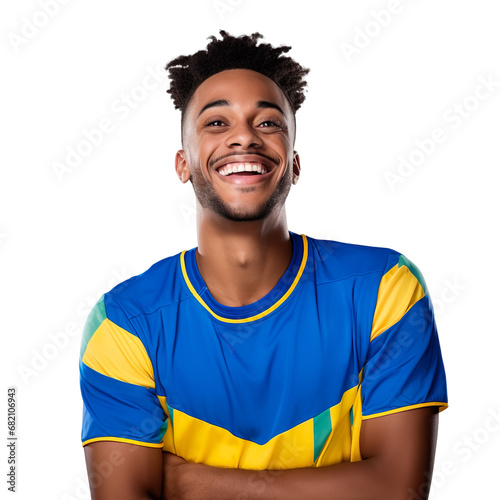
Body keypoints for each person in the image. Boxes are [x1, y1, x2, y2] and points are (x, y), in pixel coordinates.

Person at [80, 31, 447, 500]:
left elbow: (398, 490)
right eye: (216, 122)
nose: (244, 137)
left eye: (269, 122)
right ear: (183, 163)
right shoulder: (124, 322)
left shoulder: (384, 290)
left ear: (293, 163)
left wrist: (191, 481)